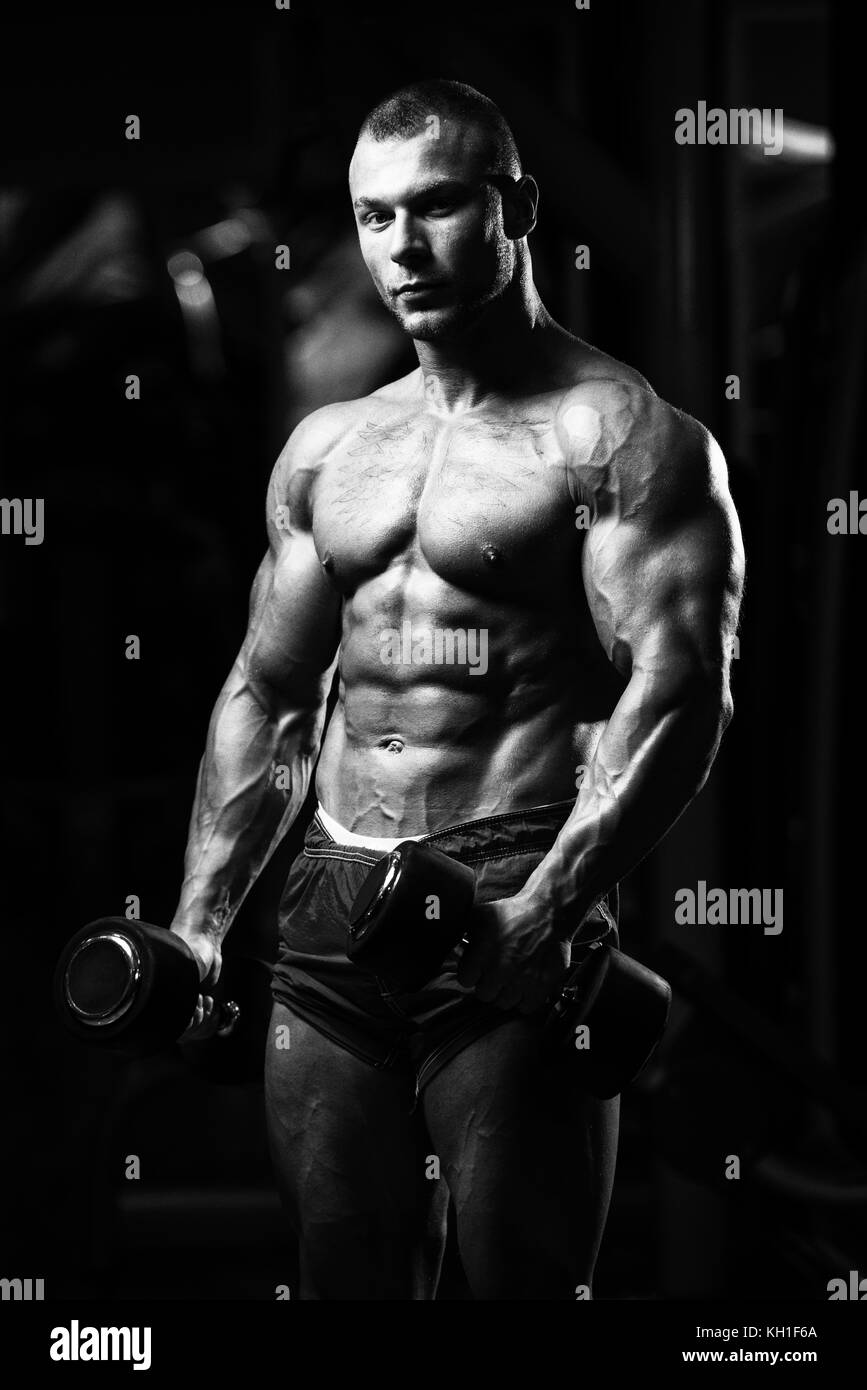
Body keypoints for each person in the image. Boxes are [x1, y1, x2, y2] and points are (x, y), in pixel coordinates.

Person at [170, 79, 745, 1300]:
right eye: (376, 217)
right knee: (343, 1281)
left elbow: (683, 691)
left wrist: (548, 908)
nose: (403, 246)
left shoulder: (623, 436)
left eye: (437, 207)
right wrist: (204, 919)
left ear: (518, 206)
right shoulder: (331, 448)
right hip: (326, 906)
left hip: (507, 885)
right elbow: (264, 693)